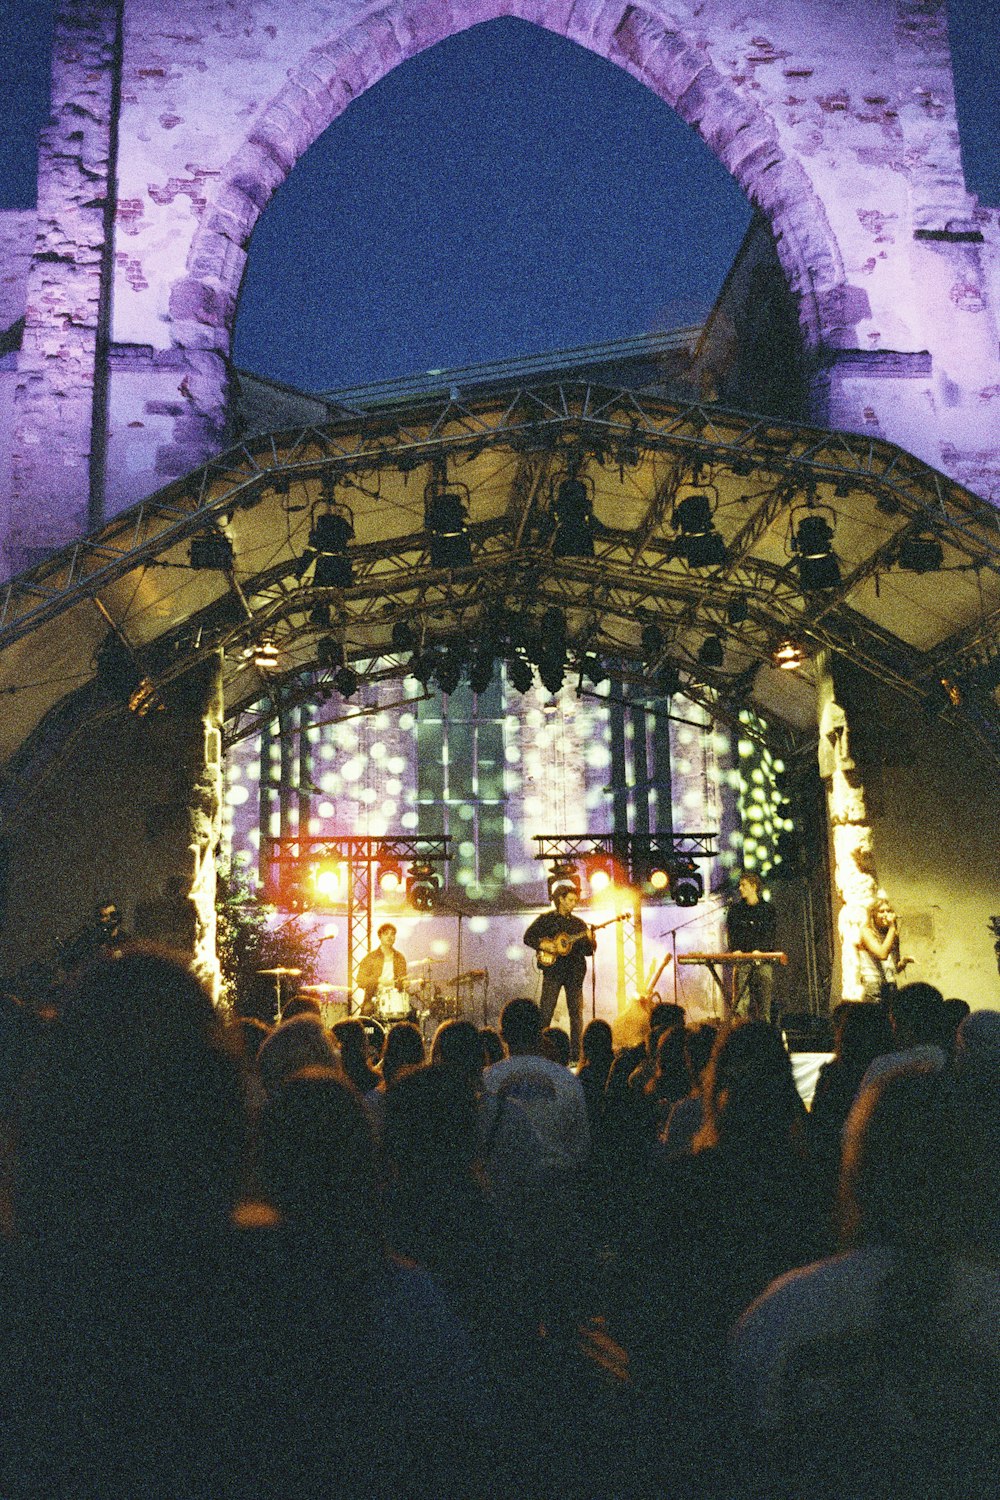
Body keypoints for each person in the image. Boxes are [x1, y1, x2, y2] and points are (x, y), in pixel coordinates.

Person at [523, 880, 595, 1062]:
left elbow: (588, 951)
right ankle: (540, 1051)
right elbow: (528, 937)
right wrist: (543, 944)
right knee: (546, 1011)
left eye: (575, 900)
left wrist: (590, 940)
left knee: (576, 1014)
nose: (574, 903)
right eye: (570, 900)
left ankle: (576, 1055)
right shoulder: (546, 920)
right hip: (553, 971)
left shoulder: (579, 924)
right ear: (561, 899)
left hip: (575, 973)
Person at [726, 871, 778, 1021]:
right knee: (741, 1005)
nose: (740, 888)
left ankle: (765, 1035)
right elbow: (732, 935)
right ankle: (740, 1032)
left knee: (764, 1005)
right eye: (740, 885)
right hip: (743, 961)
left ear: (754, 887)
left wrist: (760, 950)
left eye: (743, 885)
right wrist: (735, 950)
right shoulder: (735, 910)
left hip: (762, 961)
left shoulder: (767, 909)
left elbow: (770, 935)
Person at [857, 892, 912, 1003]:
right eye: (882, 911)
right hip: (872, 985)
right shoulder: (866, 932)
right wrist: (892, 927)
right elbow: (882, 954)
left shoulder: (890, 934)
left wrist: (904, 962)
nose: (886, 914)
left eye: (889, 911)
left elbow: (894, 968)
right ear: (873, 914)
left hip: (890, 984)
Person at [355, 922, 408, 1014]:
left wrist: (404, 983)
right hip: (374, 997)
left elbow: (402, 981)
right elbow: (360, 981)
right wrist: (378, 980)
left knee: (412, 1015)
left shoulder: (400, 957)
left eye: (392, 934)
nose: (389, 936)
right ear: (380, 936)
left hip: (395, 998)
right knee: (367, 1012)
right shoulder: (371, 957)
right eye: (386, 933)